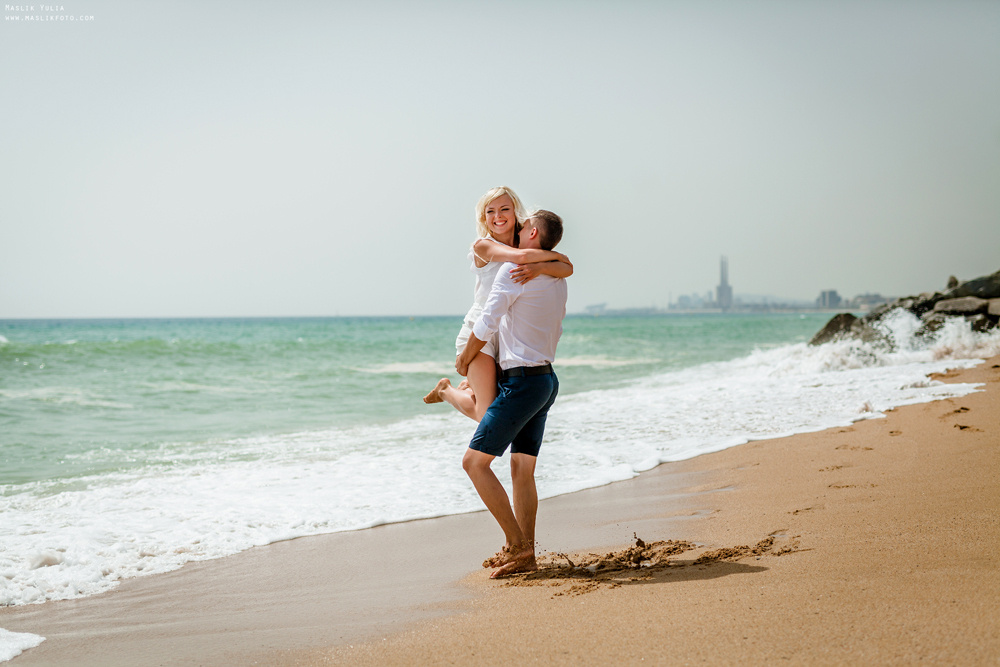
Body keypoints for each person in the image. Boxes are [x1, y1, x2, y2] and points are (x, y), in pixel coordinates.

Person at [456, 210, 568, 578]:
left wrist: (465, 359)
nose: (516, 227)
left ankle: (517, 546)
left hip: (522, 383)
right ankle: (527, 554)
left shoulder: (514, 270)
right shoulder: (553, 274)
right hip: (545, 381)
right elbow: (564, 266)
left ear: (532, 232)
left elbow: (488, 322)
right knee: (522, 468)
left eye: (522, 225)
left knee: (474, 463)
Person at [423, 187, 572, 422]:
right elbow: (524, 258)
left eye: (504, 209)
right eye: (490, 211)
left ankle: (471, 385)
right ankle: (446, 391)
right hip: (478, 332)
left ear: (515, 212)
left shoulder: (525, 242)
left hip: (507, 336)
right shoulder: (483, 246)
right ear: (484, 218)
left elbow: (567, 270)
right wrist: (554, 257)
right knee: (486, 415)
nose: (498, 216)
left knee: (501, 406)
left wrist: (543, 266)